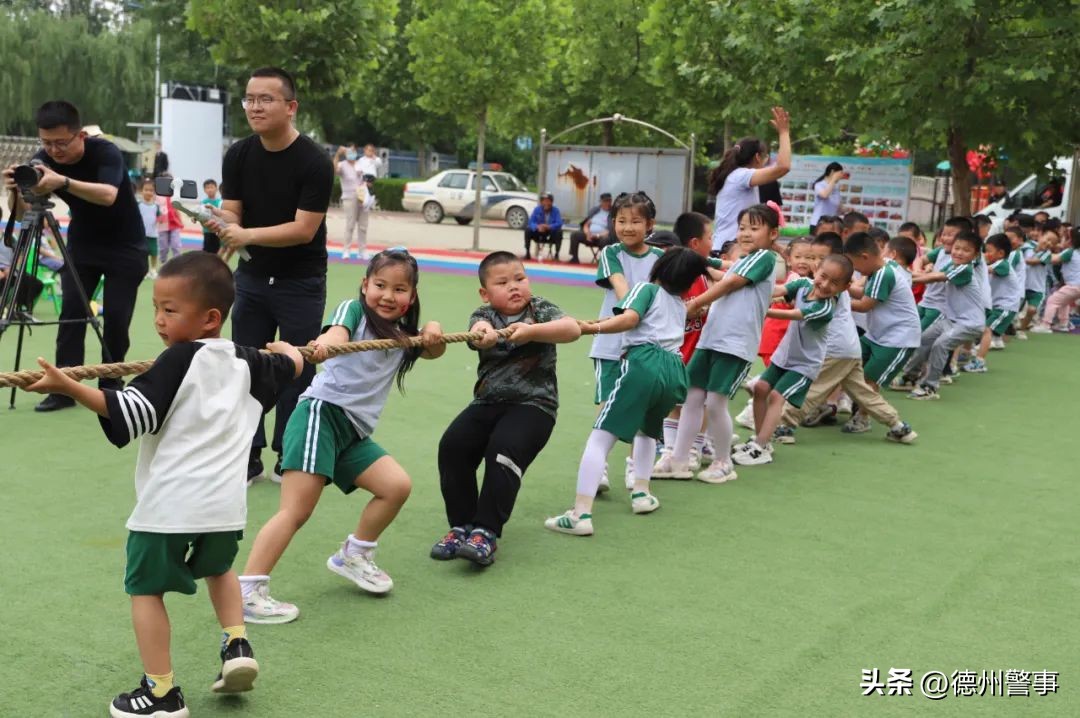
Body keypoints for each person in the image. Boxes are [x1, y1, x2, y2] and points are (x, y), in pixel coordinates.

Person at [21, 252, 303, 718]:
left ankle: (160, 693)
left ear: (209, 318)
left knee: (145, 590)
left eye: (170, 311)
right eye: (156, 308)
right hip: (225, 508)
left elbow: (131, 412)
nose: (158, 320)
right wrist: (289, 353)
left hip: (170, 507)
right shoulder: (249, 362)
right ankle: (236, 646)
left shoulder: (177, 360)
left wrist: (68, 386)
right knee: (219, 570)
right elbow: (289, 365)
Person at [239, 249, 445, 625]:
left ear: (411, 296)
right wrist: (327, 344)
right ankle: (248, 591)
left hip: (351, 430)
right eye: (380, 285)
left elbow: (434, 350)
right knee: (295, 511)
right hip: (321, 414)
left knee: (395, 486)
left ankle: (354, 555)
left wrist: (432, 329)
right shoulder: (352, 310)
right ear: (365, 285)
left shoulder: (401, 335)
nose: (387, 295)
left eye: (399, 289)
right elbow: (336, 333)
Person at [210, 67, 334, 482]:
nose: (255, 107)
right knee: (245, 366)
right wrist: (220, 221)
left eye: (266, 99)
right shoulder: (239, 154)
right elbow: (234, 210)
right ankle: (247, 458)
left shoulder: (314, 162)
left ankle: (289, 454)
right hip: (251, 277)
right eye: (250, 99)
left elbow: (304, 230)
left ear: (291, 107)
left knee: (296, 367)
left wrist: (244, 233)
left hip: (301, 281)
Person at [544, 247, 708, 536]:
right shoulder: (680, 304)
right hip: (674, 368)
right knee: (647, 432)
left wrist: (589, 328)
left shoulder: (645, 289)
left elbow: (629, 319)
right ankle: (641, 493)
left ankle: (580, 513)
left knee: (600, 436)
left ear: (659, 268)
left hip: (644, 362)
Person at [432, 251, 581, 565]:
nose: (515, 286)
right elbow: (480, 334)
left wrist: (532, 332)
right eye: (503, 282)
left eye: (520, 278)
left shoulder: (540, 309)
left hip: (534, 406)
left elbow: (572, 329)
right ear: (485, 293)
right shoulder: (483, 316)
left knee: (504, 449)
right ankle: (461, 526)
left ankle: (486, 532)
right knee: (453, 446)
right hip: (488, 402)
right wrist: (483, 335)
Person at [3, 100, 148, 411]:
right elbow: (21, 212)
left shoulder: (105, 152)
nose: (54, 151)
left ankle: (111, 385)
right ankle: (65, 388)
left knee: (117, 319)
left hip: (126, 245)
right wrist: (16, 189)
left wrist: (63, 181)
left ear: (80, 135)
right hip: (83, 245)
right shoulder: (42, 160)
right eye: (46, 143)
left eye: (61, 142)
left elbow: (108, 195)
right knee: (71, 312)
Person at [665, 204, 781, 484]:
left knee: (715, 403)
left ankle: (723, 462)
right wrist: (694, 259)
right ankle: (679, 459)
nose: (746, 233)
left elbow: (728, 284)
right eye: (742, 227)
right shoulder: (743, 260)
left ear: (773, 233)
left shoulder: (765, 257)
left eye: (755, 228)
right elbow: (720, 273)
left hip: (735, 344)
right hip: (712, 339)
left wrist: (694, 303)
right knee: (693, 397)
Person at [775, 233, 918, 445]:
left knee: (812, 387)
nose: (812, 263)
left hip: (838, 348)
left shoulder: (827, 286)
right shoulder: (838, 282)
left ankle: (785, 425)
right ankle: (897, 425)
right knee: (863, 392)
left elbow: (857, 303)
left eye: (817, 258)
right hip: (850, 349)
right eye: (811, 258)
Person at [732, 254, 852, 466]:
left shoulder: (825, 307)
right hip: (784, 356)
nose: (825, 285)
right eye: (823, 276)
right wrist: (753, 288)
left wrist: (761, 310)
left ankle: (760, 446)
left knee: (777, 397)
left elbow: (794, 315)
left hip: (805, 364)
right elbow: (778, 290)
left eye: (834, 283)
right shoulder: (804, 284)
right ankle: (761, 442)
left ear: (845, 287)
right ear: (816, 269)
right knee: (760, 388)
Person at [899, 231, 986, 399]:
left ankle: (929, 386)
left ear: (975, 255)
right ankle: (909, 377)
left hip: (970, 323)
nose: (959, 252)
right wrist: (902, 273)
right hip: (952, 320)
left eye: (965, 250)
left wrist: (903, 278)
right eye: (957, 248)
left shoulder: (964, 269)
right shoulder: (954, 266)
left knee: (941, 344)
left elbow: (935, 277)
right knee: (924, 339)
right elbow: (927, 275)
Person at [708, 107, 791, 250]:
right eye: (765, 158)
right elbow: (783, 167)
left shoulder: (734, 176)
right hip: (729, 250)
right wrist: (784, 132)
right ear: (758, 157)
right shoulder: (741, 176)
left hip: (727, 247)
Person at [964, 234, 1021, 372]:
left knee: (986, 330)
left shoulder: (1003, 264)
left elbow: (986, 270)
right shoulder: (996, 263)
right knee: (977, 326)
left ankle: (980, 362)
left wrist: (974, 263)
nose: (986, 254)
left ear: (1001, 253)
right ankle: (968, 352)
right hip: (997, 305)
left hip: (1006, 306)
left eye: (989, 251)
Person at [1032, 225, 1080, 333]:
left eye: (1065, 238)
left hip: (1073, 285)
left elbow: (1054, 259)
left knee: (1052, 300)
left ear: (1070, 240)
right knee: (1064, 302)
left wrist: (1041, 250)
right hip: (1076, 286)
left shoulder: (1070, 252)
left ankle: (1045, 324)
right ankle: (1063, 324)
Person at [334, 144, 364, 259]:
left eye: (353, 151)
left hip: (362, 197)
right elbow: (334, 170)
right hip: (349, 197)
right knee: (350, 225)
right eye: (349, 152)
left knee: (363, 226)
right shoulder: (342, 165)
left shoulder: (360, 164)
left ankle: (362, 251)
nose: (351, 154)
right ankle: (346, 250)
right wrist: (337, 154)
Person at [568, 192, 614, 263]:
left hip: (602, 237)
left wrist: (597, 235)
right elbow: (586, 224)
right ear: (601, 202)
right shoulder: (595, 211)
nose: (607, 203)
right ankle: (574, 258)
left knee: (606, 239)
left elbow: (610, 230)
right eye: (605, 201)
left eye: (609, 201)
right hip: (589, 236)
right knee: (574, 235)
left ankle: (603, 260)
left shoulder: (613, 213)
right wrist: (587, 233)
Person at [524, 192, 564, 260]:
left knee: (559, 232)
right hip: (538, 232)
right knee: (528, 230)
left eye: (548, 201)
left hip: (550, 233)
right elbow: (530, 222)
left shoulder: (555, 210)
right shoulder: (537, 209)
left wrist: (549, 226)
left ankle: (556, 254)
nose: (546, 203)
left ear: (551, 202)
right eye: (544, 201)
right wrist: (537, 226)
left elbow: (559, 223)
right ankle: (527, 252)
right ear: (541, 202)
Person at [810, 162, 846, 227]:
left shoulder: (836, 186)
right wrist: (833, 179)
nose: (841, 176)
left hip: (832, 224)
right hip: (818, 224)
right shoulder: (819, 185)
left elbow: (839, 207)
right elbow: (825, 195)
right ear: (832, 172)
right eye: (840, 173)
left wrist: (847, 210)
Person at [137, 179, 160, 279]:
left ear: (154, 192)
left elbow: (160, 217)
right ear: (141, 191)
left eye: (151, 190)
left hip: (153, 234)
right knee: (143, 253)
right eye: (146, 190)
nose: (148, 192)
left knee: (154, 252)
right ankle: (144, 270)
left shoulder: (156, 206)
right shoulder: (138, 205)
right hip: (141, 235)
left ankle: (153, 269)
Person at [157, 190, 183, 264]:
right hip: (162, 224)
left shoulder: (174, 196)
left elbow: (177, 209)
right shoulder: (158, 195)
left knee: (176, 245)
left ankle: (177, 263)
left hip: (174, 223)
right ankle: (163, 260)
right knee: (163, 247)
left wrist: (180, 221)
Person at [201, 179, 223, 254]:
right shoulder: (203, 202)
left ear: (216, 188)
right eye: (207, 188)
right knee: (206, 250)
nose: (210, 190)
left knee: (216, 250)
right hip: (207, 230)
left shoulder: (220, 202)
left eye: (211, 187)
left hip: (218, 230)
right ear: (204, 190)